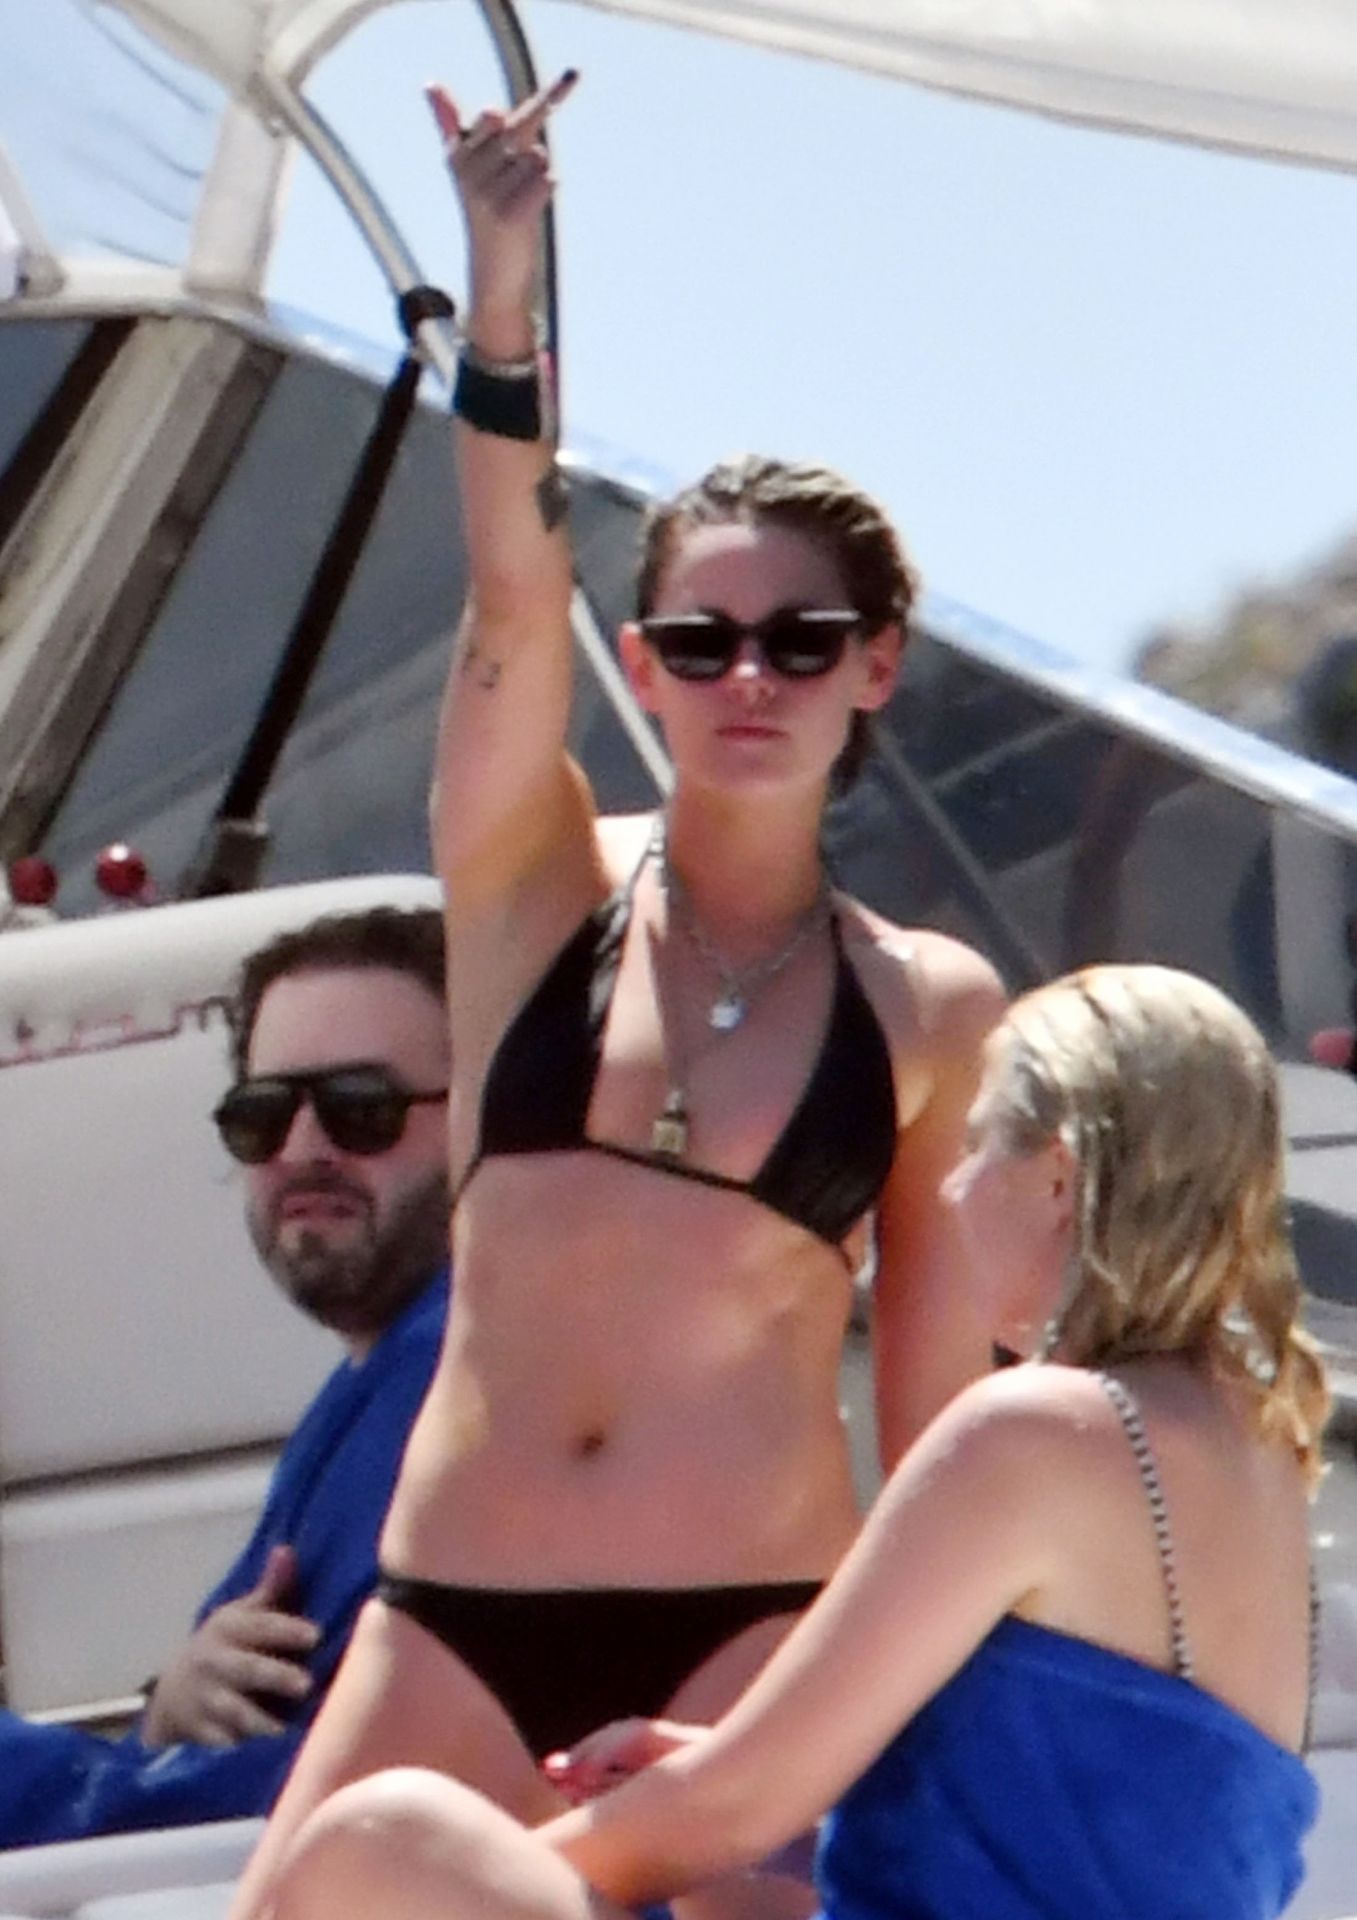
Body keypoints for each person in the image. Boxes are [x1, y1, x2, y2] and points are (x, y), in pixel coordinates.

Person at [227, 73, 1005, 1916]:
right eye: (700, 641)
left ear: (876, 666)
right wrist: (500, 288)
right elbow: (511, 597)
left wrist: (910, 1716)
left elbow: (936, 1425)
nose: (750, 677)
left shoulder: (931, 1006)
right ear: (641, 670)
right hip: (451, 1617)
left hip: (755, 1636)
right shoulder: (534, 885)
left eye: (801, 640)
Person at [259, 964, 1329, 1920]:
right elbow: (1113, 1818)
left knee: (377, 1841)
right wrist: (735, 1776)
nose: (949, 1188)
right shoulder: (1262, 1452)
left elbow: (727, 1810)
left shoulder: (1032, 1431)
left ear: (1055, 1178)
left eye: (975, 1148)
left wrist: (450, 1892)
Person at [0, 905, 451, 1847]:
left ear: (486, 1110)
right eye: (261, 1116)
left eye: (361, 1107)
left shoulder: (471, 1381)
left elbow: (367, 1788)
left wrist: (57, 1780)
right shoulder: (377, 1381)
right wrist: (171, 1709)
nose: (303, 1149)